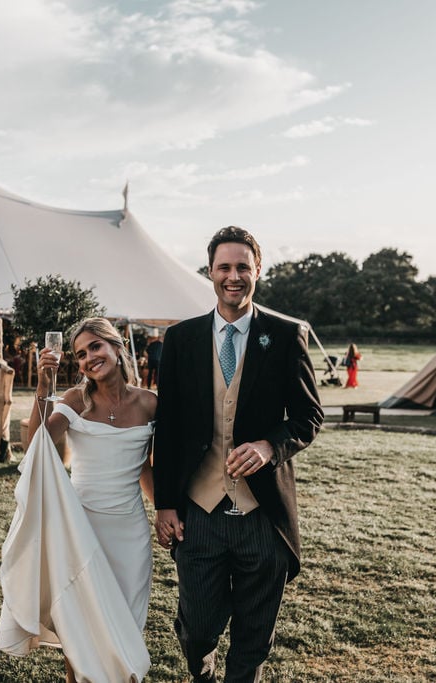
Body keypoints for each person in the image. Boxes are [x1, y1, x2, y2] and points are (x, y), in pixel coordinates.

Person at [153, 226, 324, 682]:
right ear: (209, 271)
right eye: (224, 267)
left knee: (253, 640)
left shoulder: (287, 336)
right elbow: (166, 429)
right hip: (198, 514)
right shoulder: (182, 339)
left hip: (262, 516)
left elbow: (309, 416)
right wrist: (165, 502)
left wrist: (271, 446)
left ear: (258, 271)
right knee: (197, 631)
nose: (234, 276)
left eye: (242, 267)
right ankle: (203, 673)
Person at [23, 317, 157, 682]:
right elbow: (37, 446)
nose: (88, 359)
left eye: (95, 347)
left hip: (130, 535)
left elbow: (145, 467)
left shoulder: (149, 404)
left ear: (116, 346)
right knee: (79, 633)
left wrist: (164, 511)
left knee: (125, 632)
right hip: (80, 530)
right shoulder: (74, 401)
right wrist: (42, 386)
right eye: (80, 354)